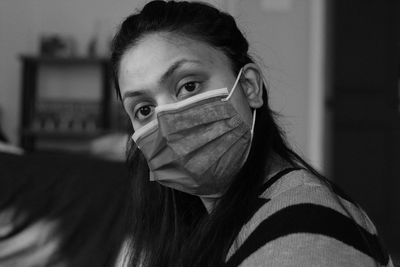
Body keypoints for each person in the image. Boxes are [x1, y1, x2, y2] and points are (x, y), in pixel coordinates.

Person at [111, 1, 393, 266]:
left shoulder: (303, 224)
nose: (165, 120)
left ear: (249, 87)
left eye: (188, 86)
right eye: (144, 110)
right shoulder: (198, 227)